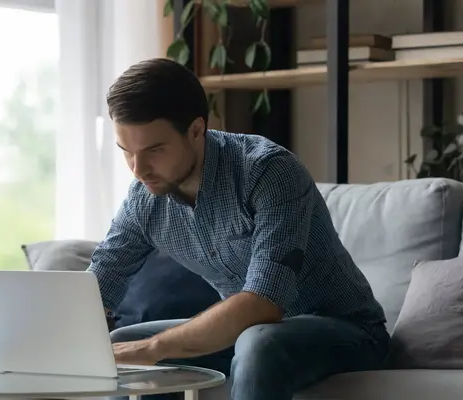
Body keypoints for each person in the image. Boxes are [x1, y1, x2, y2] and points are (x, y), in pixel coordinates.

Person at [85, 57, 390, 400]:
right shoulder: (144, 198)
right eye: (127, 152)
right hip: (248, 336)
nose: (139, 169)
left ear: (197, 130)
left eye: (154, 150)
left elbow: (263, 303)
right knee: (119, 345)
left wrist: (154, 347)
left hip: (348, 331)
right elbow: (96, 286)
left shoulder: (267, 172)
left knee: (259, 341)